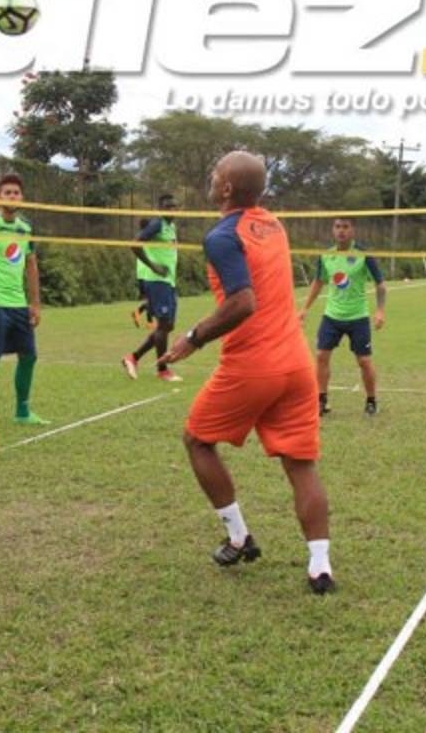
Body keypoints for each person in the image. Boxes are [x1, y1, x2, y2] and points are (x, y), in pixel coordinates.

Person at [160, 151, 334, 594]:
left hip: (254, 365)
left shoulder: (221, 235)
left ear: (226, 189)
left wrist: (192, 338)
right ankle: (320, 566)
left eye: (215, 173)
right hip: (297, 365)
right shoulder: (273, 224)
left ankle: (239, 537)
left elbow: (243, 301)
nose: (211, 177)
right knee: (301, 465)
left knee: (197, 440)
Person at [0, 173, 48, 430]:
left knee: (29, 356)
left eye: (16, 193)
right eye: (7, 193)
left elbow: (32, 266)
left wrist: (35, 303)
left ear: (21, 198)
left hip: (18, 304)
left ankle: (22, 411)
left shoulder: (26, 227)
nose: (12, 196)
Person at [299, 218, 387, 416]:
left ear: (353, 230)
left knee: (364, 361)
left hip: (358, 317)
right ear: (333, 229)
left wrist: (380, 310)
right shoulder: (326, 256)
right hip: (332, 316)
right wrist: (305, 308)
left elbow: (380, 285)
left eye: (345, 227)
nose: (341, 231)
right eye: (337, 227)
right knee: (321, 356)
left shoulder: (363, 255)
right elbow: (318, 282)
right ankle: (321, 400)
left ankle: (371, 400)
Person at [122, 194, 183, 382]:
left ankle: (133, 357)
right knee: (164, 325)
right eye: (168, 207)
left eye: (174, 206)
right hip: (156, 281)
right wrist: (152, 266)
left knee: (168, 325)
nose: (171, 210)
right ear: (160, 208)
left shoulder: (170, 227)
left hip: (168, 282)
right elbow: (135, 244)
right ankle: (162, 370)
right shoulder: (157, 224)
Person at [130, 219, 155, 330]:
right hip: (147, 272)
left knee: (150, 299)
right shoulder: (147, 238)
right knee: (151, 299)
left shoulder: (138, 237)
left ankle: (138, 312)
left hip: (140, 271)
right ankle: (150, 322)